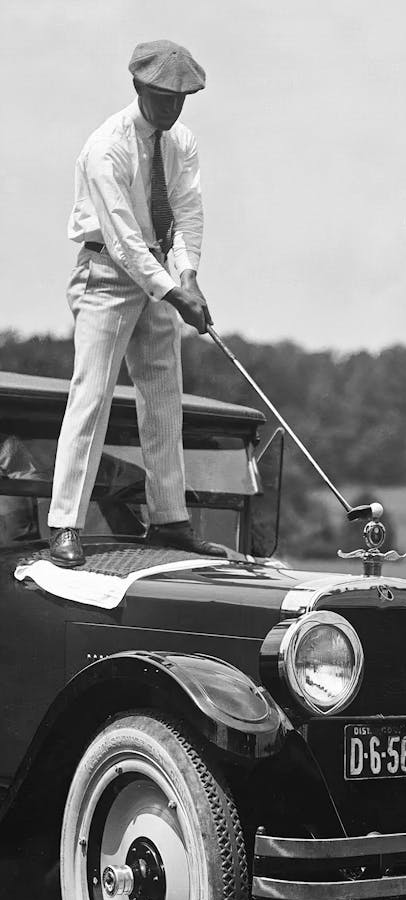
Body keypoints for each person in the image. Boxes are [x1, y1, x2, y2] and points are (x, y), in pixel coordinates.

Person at [47, 39, 226, 567]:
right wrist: (173, 292)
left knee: (164, 396)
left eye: (181, 99)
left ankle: (169, 519)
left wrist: (188, 275)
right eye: (164, 97)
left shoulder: (181, 141)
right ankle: (65, 524)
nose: (172, 108)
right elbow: (123, 238)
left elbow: (187, 212)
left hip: (159, 272)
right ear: (138, 87)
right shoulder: (107, 146)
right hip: (106, 273)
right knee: (93, 393)